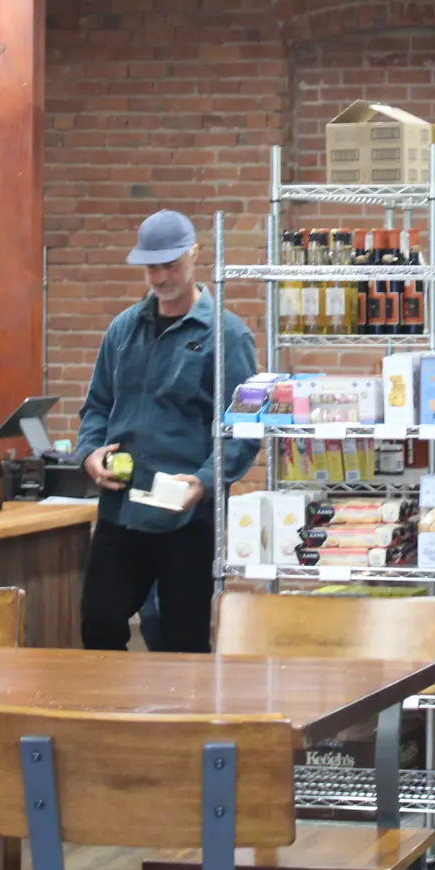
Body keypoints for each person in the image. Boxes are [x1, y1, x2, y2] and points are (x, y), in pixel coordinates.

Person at [75, 210, 257, 653]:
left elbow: (244, 429)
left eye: (170, 264)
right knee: (98, 623)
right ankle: (112, 719)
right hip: (122, 511)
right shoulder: (122, 330)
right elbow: (97, 405)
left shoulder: (226, 336)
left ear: (194, 253)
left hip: (186, 519)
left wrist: (205, 481)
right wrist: (90, 453)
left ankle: (183, 722)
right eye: (152, 266)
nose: (160, 276)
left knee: (182, 643)